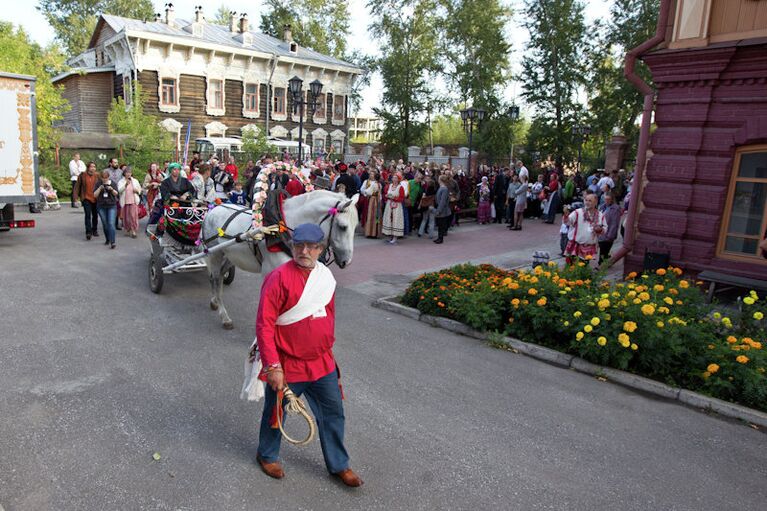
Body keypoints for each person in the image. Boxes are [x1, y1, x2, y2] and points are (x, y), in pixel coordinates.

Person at [254, 223, 362, 487]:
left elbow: (330, 314)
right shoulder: (278, 278)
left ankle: (339, 465)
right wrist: (273, 366)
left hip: (322, 362)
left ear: (320, 249)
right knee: (276, 412)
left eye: (311, 247)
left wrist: (322, 342)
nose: (304, 251)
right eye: (299, 246)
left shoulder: (325, 277)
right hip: (288, 363)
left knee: (334, 412)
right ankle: (267, 455)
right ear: (292, 247)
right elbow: (264, 324)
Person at [564, 193, 607, 263]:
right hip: (575, 246)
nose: (587, 202)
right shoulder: (577, 212)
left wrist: (600, 230)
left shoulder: (600, 215)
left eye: (590, 201)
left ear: (595, 202)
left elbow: (605, 228)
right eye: (586, 200)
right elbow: (568, 222)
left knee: (584, 268)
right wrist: (566, 216)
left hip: (589, 247)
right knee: (571, 268)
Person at [73, 161, 99, 240]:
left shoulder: (97, 175)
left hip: (95, 198)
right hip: (86, 198)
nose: (93, 168)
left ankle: (94, 229)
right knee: (88, 215)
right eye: (91, 166)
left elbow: (102, 184)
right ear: (88, 168)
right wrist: (75, 197)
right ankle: (88, 232)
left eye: (94, 167)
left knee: (95, 215)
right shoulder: (82, 175)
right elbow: (77, 186)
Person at [94, 170, 119, 249]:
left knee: (111, 223)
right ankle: (107, 238)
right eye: (103, 178)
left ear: (108, 177)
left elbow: (116, 193)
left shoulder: (113, 183)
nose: (105, 179)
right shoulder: (98, 183)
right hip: (101, 206)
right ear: (101, 178)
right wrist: (100, 188)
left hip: (111, 205)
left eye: (106, 178)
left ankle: (113, 241)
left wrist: (111, 189)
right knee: (105, 224)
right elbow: (95, 195)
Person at [117, 167, 142, 238]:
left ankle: (134, 230)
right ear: (124, 174)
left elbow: (139, 190)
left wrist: (136, 190)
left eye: (129, 172)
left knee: (133, 216)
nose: (128, 174)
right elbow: (119, 191)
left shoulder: (135, 181)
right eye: (127, 173)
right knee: (126, 217)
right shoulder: (121, 181)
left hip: (133, 201)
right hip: (125, 201)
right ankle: (128, 229)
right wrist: (125, 185)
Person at [382, 173, 406, 244]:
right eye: (393, 178)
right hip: (389, 205)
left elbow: (402, 198)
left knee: (395, 220)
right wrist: (386, 196)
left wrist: (394, 198)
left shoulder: (400, 187)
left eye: (396, 178)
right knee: (389, 219)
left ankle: (395, 237)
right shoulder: (390, 186)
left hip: (397, 206)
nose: (394, 179)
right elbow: (386, 193)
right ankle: (391, 236)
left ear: (399, 179)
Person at [598, 193, 622, 263]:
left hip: (608, 233)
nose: (606, 201)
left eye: (608, 199)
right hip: (601, 232)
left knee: (603, 251)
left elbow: (614, 223)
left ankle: (601, 266)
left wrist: (610, 235)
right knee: (603, 251)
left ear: (612, 200)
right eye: (605, 199)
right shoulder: (602, 207)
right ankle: (604, 262)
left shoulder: (615, 209)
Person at [360, 170, 381, 238]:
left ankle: (371, 232)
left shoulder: (373, 184)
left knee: (371, 215)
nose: (371, 175)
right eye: (370, 174)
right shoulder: (379, 184)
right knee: (376, 215)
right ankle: (375, 232)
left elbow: (368, 191)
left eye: (372, 174)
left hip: (372, 200)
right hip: (377, 200)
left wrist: (366, 192)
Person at [433, 175, 451, 244]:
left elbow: (442, 201)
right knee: (440, 224)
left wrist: (438, 211)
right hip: (440, 208)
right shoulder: (442, 188)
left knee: (441, 224)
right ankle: (439, 237)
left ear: (441, 180)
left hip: (442, 210)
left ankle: (440, 238)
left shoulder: (444, 189)